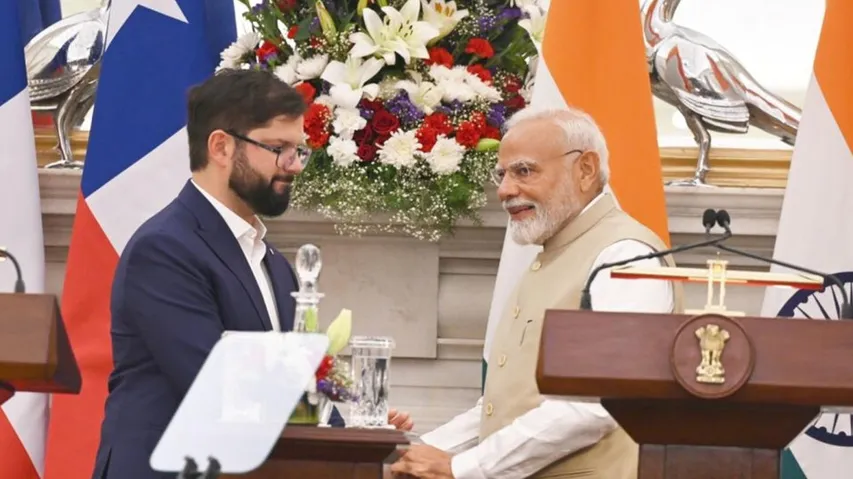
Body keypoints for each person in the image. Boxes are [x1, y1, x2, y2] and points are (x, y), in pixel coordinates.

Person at [389, 107, 685, 479]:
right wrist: (416, 452)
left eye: (524, 171)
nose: (505, 190)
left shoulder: (626, 255)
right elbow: (507, 407)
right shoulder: (550, 252)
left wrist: (463, 468)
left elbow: (595, 404)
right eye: (502, 174)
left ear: (586, 169)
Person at [91, 69, 341, 479]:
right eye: (279, 148)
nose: (295, 166)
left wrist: (365, 444)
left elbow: (292, 381)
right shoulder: (165, 249)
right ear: (221, 147)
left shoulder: (275, 264)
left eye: (299, 150)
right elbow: (217, 384)